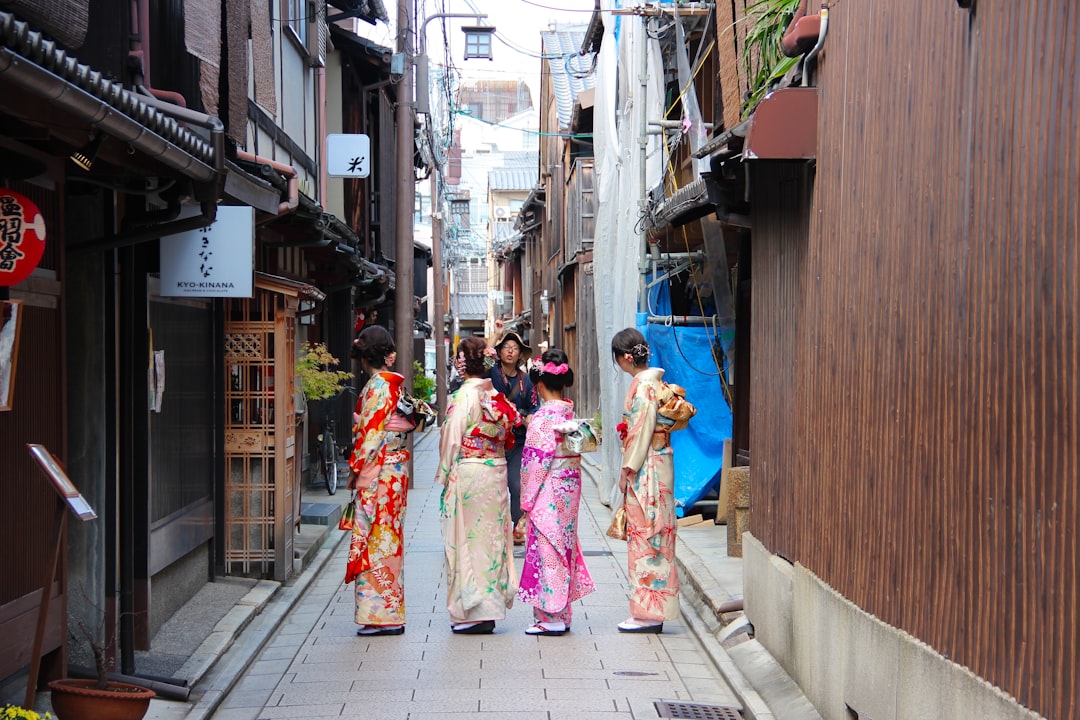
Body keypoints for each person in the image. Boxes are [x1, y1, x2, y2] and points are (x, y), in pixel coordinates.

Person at [436, 335, 520, 634]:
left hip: (471, 473)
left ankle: (473, 610)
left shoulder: (463, 397)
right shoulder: (496, 396)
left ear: (462, 365)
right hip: (495, 471)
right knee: (493, 541)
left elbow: (452, 439)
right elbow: (507, 433)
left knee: (468, 542)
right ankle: (490, 609)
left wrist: (444, 474)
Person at [516, 348, 596, 636]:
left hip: (547, 490)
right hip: (569, 488)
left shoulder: (543, 419)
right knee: (563, 546)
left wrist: (526, 501)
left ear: (538, 385)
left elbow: (533, 464)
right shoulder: (569, 414)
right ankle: (563, 613)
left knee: (547, 549)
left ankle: (550, 617)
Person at [611, 328, 680, 633]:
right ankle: (655, 610)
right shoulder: (655, 382)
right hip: (660, 462)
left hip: (646, 469)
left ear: (626, 358)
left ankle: (647, 613)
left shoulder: (643, 387)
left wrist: (627, 470)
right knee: (659, 535)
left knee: (645, 535)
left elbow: (639, 431)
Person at [344, 325, 410, 636]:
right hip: (394, 473)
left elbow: (370, 438)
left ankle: (382, 616)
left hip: (379, 474)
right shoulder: (393, 385)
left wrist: (356, 471)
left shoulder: (377, 388)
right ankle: (390, 609)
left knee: (375, 540)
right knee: (388, 540)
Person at [487, 328, 538, 544]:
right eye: (506, 347)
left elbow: (534, 407)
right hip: (493, 441)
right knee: (492, 488)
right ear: (499, 351)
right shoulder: (490, 374)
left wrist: (527, 418)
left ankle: (518, 529)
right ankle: (493, 531)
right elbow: (483, 357)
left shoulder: (526, 381)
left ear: (520, 354)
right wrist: (495, 334)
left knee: (517, 485)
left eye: (515, 348)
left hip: (517, 441)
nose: (510, 351)